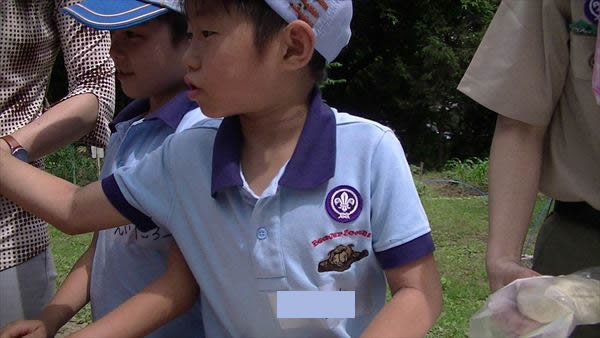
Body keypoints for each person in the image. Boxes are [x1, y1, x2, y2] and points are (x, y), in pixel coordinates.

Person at [0, 0, 443, 336]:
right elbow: (76, 210)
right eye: (188, 34)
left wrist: (318, 304)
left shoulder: (369, 151)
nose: (190, 57)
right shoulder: (186, 157)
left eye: (208, 35)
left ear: (294, 46)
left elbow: (417, 291)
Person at [0, 1, 205, 337]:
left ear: (191, 38)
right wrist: (50, 318)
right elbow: (102, 249)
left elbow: (181, 284)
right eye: (112, 36)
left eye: (133, 36)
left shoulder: (195, 136)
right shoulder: (127, 131)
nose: (114, 51)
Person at [458, 0, 600, 336]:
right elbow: (521, 117)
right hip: (580, 245)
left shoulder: (370, 148)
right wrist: (503, 261)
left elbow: (409, 294)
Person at [0, 0, 115, 325]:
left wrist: (8, 151)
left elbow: (74, 213)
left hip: (9, 233)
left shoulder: (179, 145)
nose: (119, 49)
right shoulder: (137, 140)